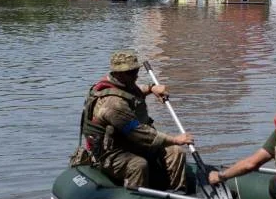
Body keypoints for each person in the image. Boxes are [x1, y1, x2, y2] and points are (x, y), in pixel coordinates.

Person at [80, 50, 194, 191]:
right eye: (131, 72)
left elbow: (133, 92)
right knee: (138, 164)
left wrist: (151, 89)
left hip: (130, 143)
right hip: (111, 153)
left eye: (136, 70)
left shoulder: (123, 84)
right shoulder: (113, 105)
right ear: (119, 74)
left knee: (176, 152)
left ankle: (178, 193)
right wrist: (175, 139)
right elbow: (139, 133)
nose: (136, 75)